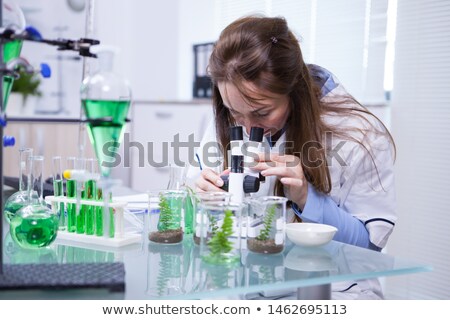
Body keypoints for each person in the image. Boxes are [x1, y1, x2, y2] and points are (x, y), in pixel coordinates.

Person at [186, 15, 396, 299]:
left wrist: (307, 197)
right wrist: (203, 193)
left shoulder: (359, 134)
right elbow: (201, 211)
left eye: (262, 113)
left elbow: (368, 251)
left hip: (332, 291)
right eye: (235, 112)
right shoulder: (230, 118)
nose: (248, 129)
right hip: (244, 287)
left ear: (293, 91)